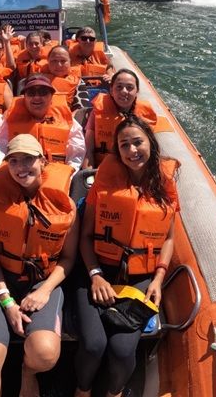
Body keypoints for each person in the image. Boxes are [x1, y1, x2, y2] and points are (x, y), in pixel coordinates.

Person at [73, 116, 179, 397]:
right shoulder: (104, 184)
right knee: (94, 344)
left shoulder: (164, 184)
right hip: (95, 271)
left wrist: (158, 278)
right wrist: (95, 275)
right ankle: (82, 391)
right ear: (117, 151)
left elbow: (168, 237)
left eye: (137, 142)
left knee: (121, 350)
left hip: (140, 277)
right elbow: (85, 237)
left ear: (150, 143)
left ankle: (114, 392)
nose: (132, 150)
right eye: (124, 145)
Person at [0, 134, 79, 397]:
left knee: (45, 353)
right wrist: (6, 300)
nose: (22, 168)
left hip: (42, 280)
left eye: (29, 159)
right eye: (14, 161)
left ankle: (27, 372)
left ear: (43, 161)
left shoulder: (66, 206)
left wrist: (44, 291)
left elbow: (67, 259)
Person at [0, 74, 85, 182]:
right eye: (31, 93)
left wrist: (68, 177)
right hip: (19, 176)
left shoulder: (68, 121)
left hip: (54, 177)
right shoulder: (10, 119)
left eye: (43, 92)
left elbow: (76, 153)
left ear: (51, 96)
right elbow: (1, 146)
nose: (37, 97)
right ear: (24, 97)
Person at [84, 69, 158, 167]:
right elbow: (88, 150)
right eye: (119, 87)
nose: (124, 91)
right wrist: (89, 178)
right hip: (101, 168)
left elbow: (150, 151)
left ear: (137, 91)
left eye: (130, 87)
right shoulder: (97, 112)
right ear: (111, 90)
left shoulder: (144, 115)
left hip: (132, 168)